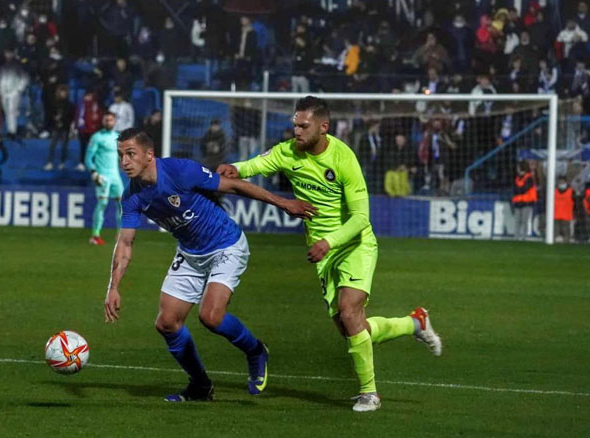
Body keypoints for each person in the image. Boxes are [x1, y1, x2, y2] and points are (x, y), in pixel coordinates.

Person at [216, 96, 442, 413]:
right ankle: (414, 324)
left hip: (353, 244)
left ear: (324, 127)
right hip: (324, 253)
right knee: (351, 327)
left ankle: (369, 394)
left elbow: (362, 217)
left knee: (350, 312)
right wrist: (234, 169)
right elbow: (256, 164)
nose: (296, 131)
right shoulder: (287, 152)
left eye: (303, 126)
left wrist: (330, 241)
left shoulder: (343, 159)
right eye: (295, 124)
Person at [104, 128, 315, 402]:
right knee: (167, 322)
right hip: (190, 253)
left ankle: (255, 351)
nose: (124, 162)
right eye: (121, 155)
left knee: (211, 316)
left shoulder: (179, 171)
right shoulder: (132, 197)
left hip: (226, 244)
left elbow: (235, 185)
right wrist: (113, 287)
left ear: (149, 154)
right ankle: (200, 386)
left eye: (130, 154)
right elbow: (125, 243)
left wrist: (283, 202)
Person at [85, 111, 123, 245]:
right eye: (106, 120)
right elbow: (88, 158)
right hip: (103, 175)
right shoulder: (97, 137)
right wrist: (94, 172)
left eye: (111, 120)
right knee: (103, 203)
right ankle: (95, 235)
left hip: (115, 176)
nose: (109, 122)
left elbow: (121, 156)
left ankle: (120, 235)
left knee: (121, 204)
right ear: (103, 121)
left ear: (114, 122)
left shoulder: (118, 137)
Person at [43, 84, 74, 171]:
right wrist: (54, 121)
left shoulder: (69, 105)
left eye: (64, 92)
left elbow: (70, 116)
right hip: (56, 127)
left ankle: (62, 162)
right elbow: (50, 114)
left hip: (65, 127)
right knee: (52, 145)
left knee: (64, 146)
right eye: (61, 92)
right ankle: (49, 162)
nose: (63, 94)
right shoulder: (54, 103)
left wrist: (64, 121)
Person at [75, 90, 103, 171]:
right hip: (83, 130)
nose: (87, 98)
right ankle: (82, 163)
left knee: (93, 148)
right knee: (83, 147)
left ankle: (93, 163)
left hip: (92, 130)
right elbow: (77, 116)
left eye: (89, 96)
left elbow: (98, 116)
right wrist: (77, 127)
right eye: (86, 96)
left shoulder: (95, 105)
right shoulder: (81, 105)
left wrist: (97, 127)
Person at [511, 161, 537, 240]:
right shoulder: (517, 178)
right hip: (518, 202)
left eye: (518, 167)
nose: (517, 169)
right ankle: (516, 237)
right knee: (517, 220)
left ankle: (524, 237)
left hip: (526, 202)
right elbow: (516, 189)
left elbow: (524, 189)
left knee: (524, 220)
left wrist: (518, 190)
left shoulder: (529, 178)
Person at [554, 175, 574, 243]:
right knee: (555, 232)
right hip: (555, 215)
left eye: (562, 182)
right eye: (560, 182)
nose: (561, 183)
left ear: (566, 182)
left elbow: (575, 203)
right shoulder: (554, 191)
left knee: (566, 232)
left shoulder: (571, 191)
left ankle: (566, 243)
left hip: (566, 216)